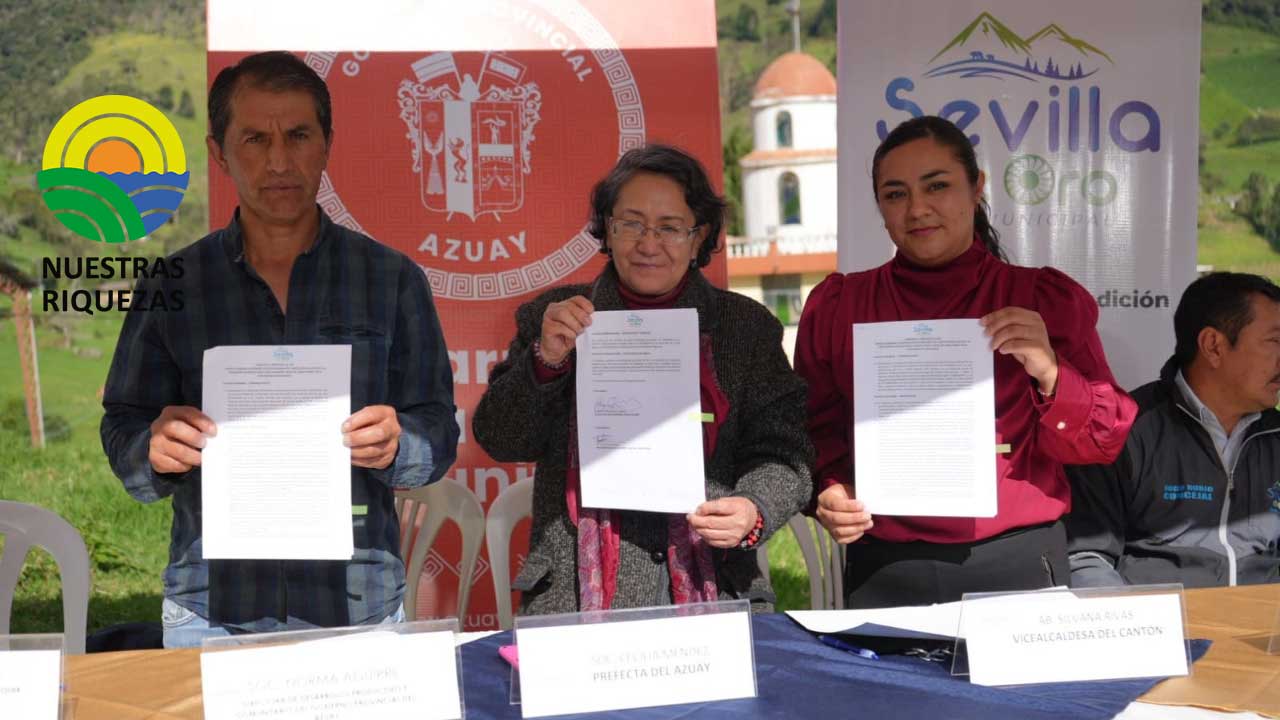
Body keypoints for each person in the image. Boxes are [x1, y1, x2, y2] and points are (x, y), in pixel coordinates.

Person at [100, 51, 459, 647]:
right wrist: (153, 449)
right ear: (219, 152)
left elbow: (437, 431)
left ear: (326, 144)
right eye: (254, 139)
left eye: (297, 135)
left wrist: (401, 443)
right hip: (212, 611)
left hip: (358, 606)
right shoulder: (173, 284)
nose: (278, 161)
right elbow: (124, 428)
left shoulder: (392, 279)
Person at [794, 115, 1137, 608]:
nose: (918, 209)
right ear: (879, 207)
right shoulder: (840, 306)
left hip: (1018, 562)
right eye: (895, 194)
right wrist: (829, 489)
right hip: (886, 567)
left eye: (938, 186)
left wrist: (1051, 372)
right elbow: (813, 429)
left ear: (977, 187)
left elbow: (1104, 440)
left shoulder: (1038, 298)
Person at [473, 144, 812, 614]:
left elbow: (785, 453)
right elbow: (502, 439)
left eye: (670, 228)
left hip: (715, 583)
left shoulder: (745, 328)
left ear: (699, 238)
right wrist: (545, 359)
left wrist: (754, 507)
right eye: (630, 223)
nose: (648, 243)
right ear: (607, 231)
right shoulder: (555, 318)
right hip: (575, 594)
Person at [1067, 272, 1280, 587]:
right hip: (1163, 629)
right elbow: (1086, 558)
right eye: (1274, 341)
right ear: (1213, 346)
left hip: (1264, 629)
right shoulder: (1123, 430)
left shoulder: (1275, 437)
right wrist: (1139, 631)